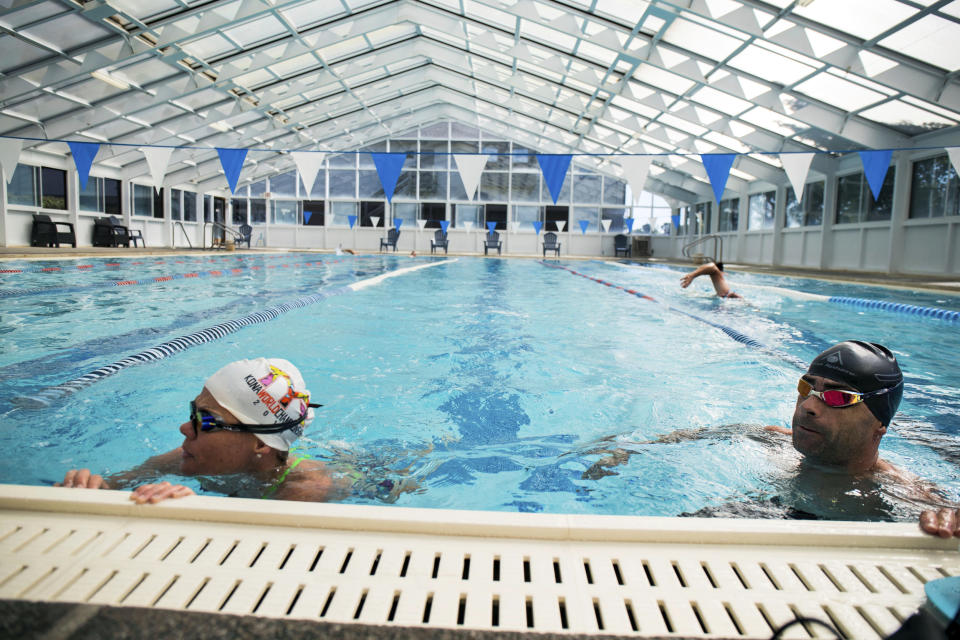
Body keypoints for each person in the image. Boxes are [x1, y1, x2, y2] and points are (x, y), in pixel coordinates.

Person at [578, 341, 959, 537]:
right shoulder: (774, 438)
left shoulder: (898, 489)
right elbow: (705, 432)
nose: (809, 406)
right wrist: (629, 448)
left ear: (880, 426)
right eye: (807, 387)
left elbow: (946, 514)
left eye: (838, 397)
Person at [57, 358, 357, 503]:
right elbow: (114, 485)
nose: (185, 428)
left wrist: (193, 511)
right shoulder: (185, 456)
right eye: (192, 413)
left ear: (260, 444)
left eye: (207, 421)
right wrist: (91, 490)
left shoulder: (305, 490)